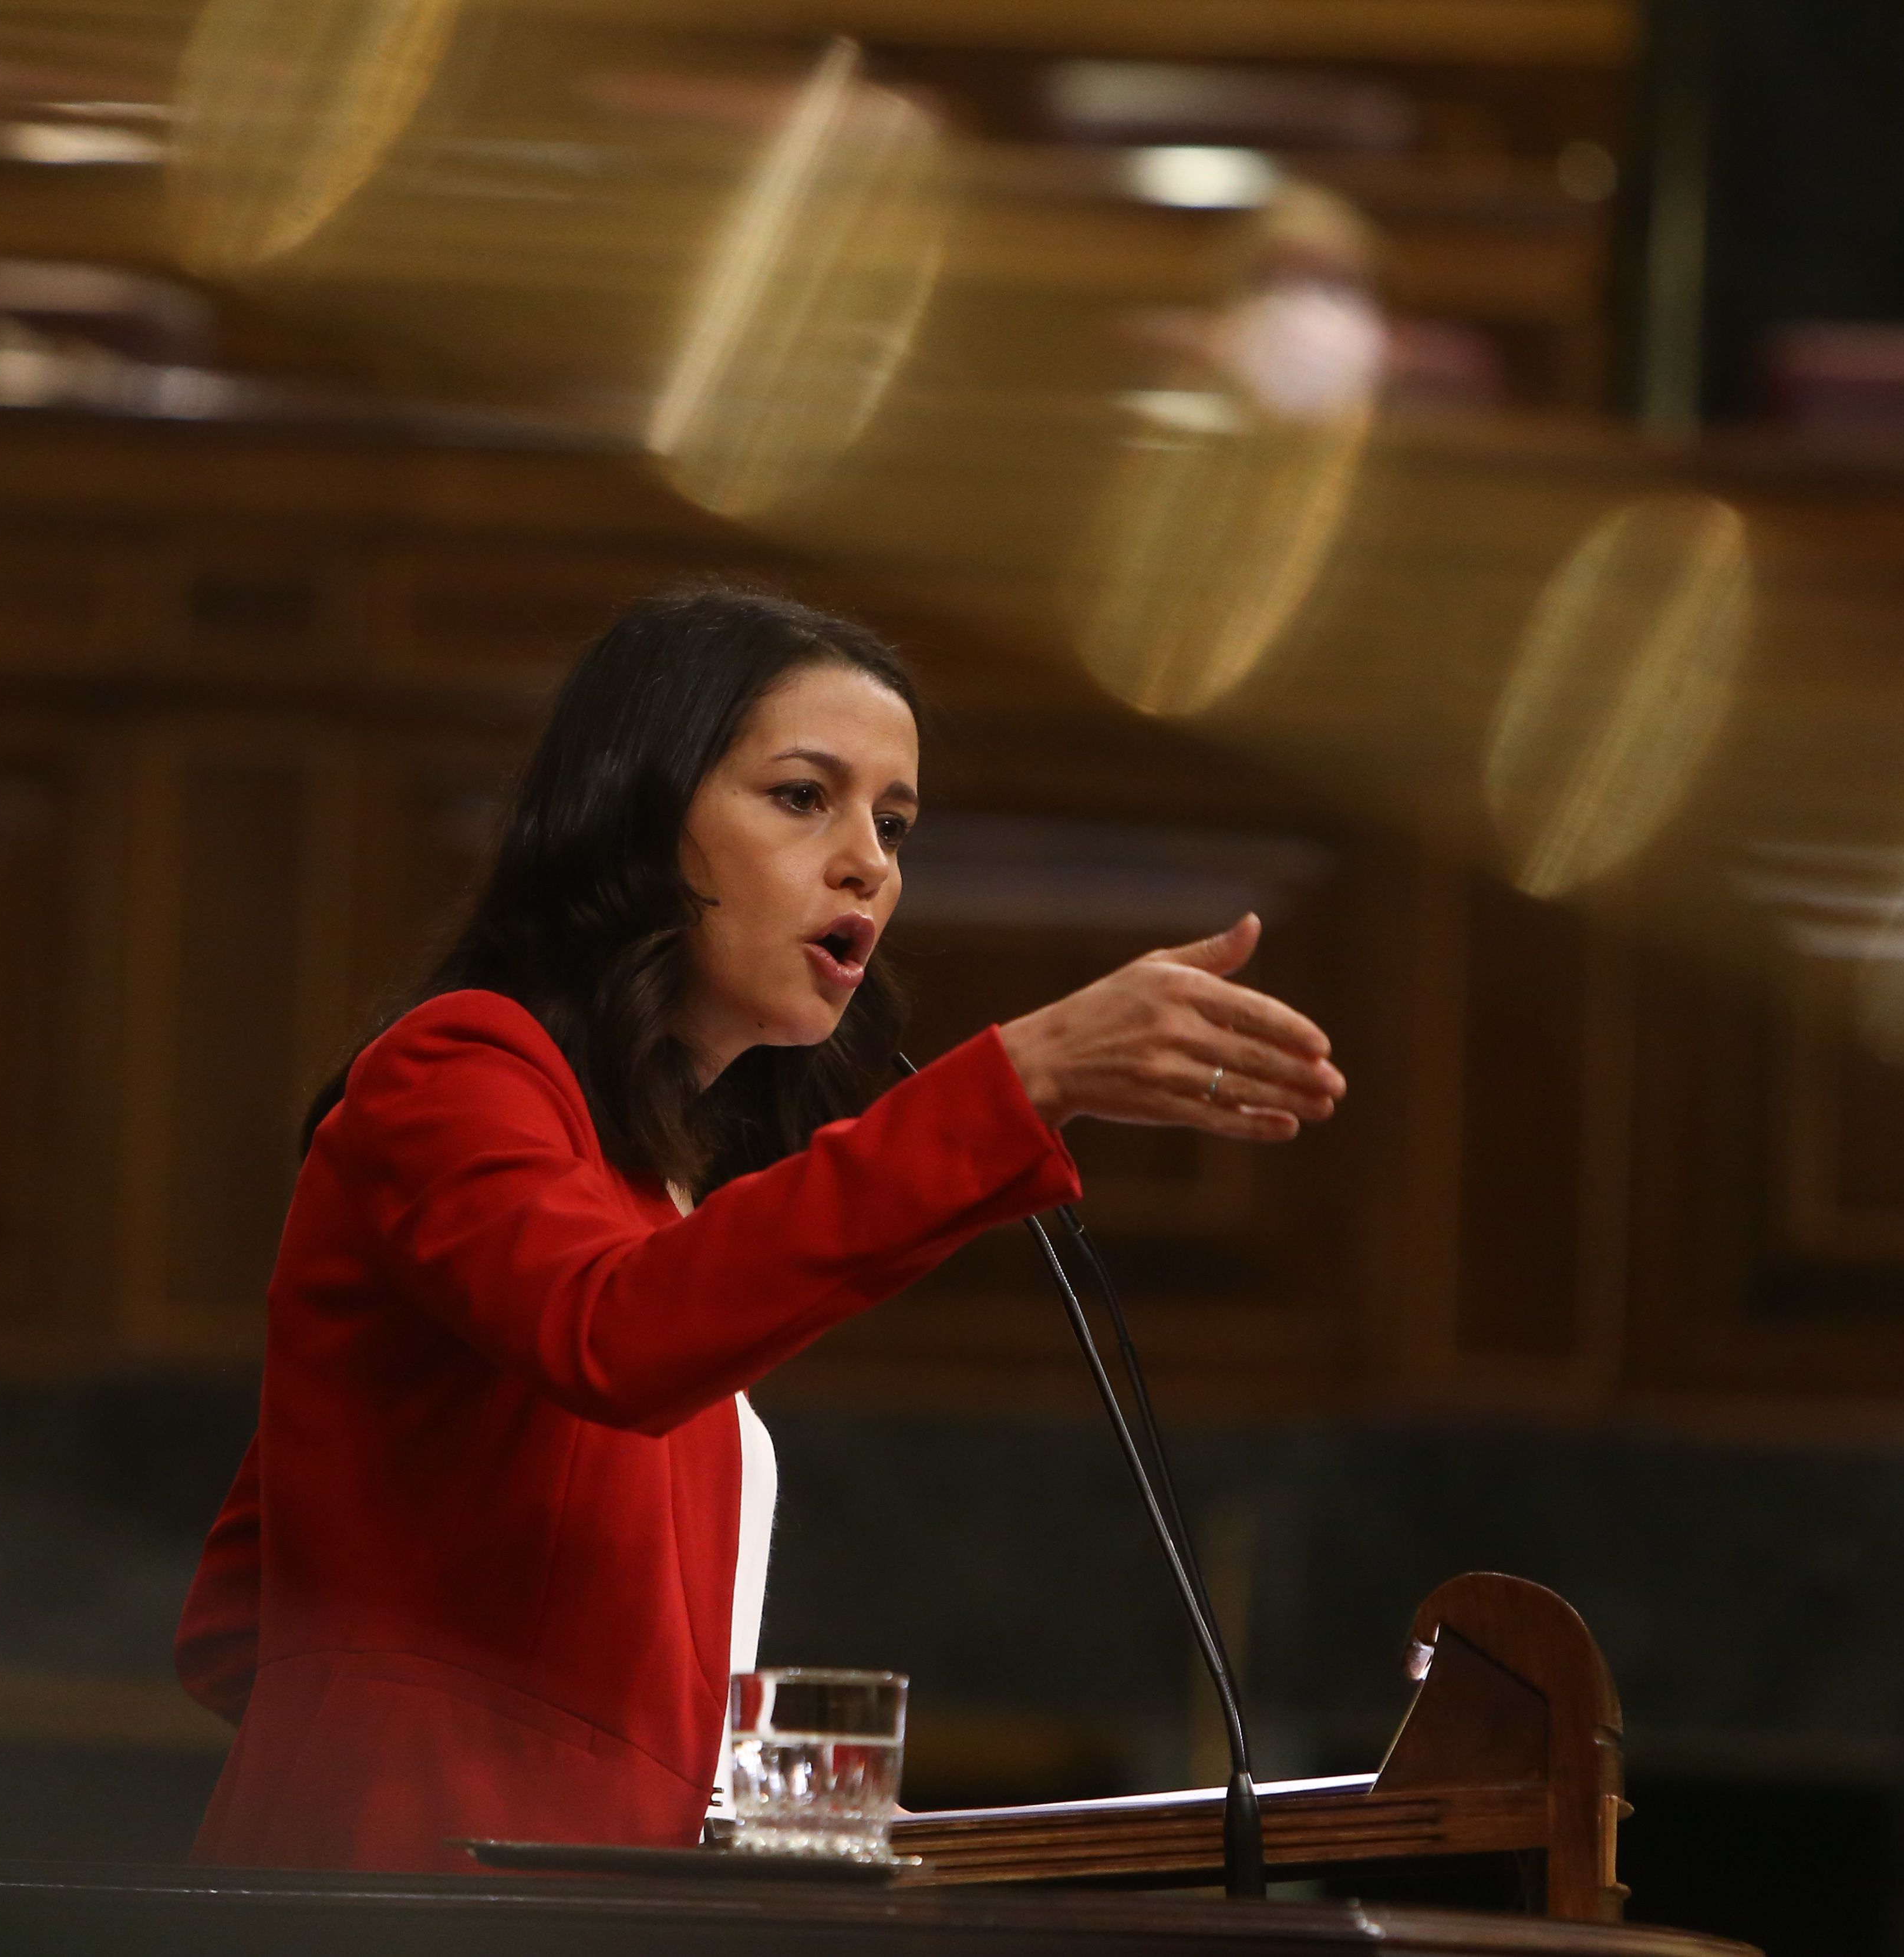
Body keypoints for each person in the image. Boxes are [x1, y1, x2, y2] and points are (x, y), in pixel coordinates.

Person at [174, 585, 1345, 1871]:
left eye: (893, 824)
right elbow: (613, 1334)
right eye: (802, 796)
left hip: (569, 1895)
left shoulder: (649, 1186)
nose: (869, 864)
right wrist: (1019, 1081)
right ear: (635, 814)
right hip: (412, 1894)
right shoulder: (455, 1067)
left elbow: (244, 1609)